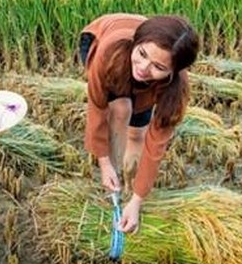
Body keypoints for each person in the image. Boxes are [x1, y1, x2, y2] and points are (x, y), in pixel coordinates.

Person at [78, 13, 201, 233]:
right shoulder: (110, 50)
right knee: (121, 108)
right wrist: (104, 163)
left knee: (138, 134)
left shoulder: (174, 88)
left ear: (173, 72)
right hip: (108, 46)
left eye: (158, 67)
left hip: (148, 67)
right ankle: (112, 180)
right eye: (143, 54)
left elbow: (155, 147)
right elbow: (97, 107)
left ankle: (128, 186)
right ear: (138, 43)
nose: (143, 68)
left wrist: (137, 200)